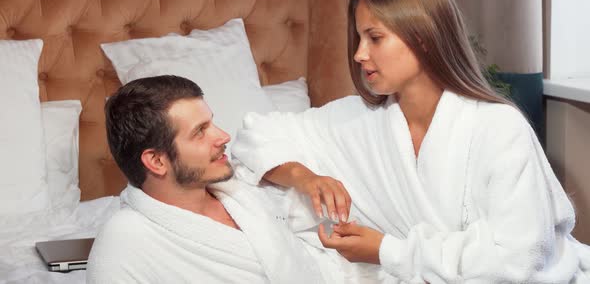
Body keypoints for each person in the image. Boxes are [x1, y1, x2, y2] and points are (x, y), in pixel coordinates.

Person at [231, 0, 590, 283]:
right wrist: (306, 178)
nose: (359, 54)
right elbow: (254, 135)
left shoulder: (499, 129)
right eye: (358, 39)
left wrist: (387, 252)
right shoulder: (358, 119)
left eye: (375, 37)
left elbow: (518, 260)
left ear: (422, 37)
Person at [86, 75, 389, 284]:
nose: (222, 136)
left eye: (212, 122)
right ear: (156, 161)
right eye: (200, 131)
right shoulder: (124, 243)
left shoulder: (238, 190)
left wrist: (304, 179)